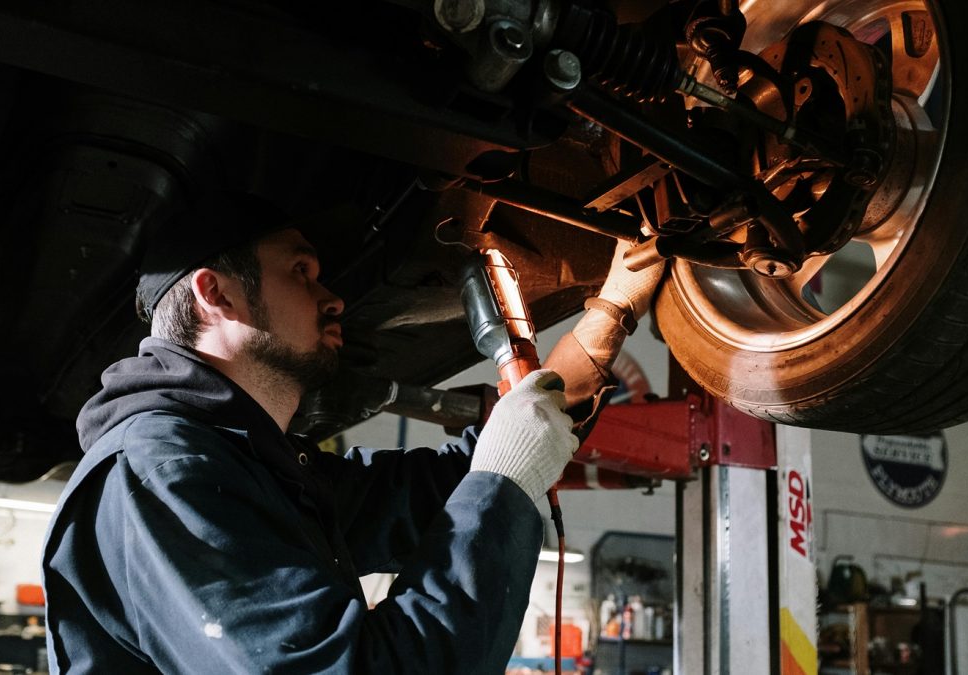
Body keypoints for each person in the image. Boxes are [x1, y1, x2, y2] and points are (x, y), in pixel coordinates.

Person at [41, 192, 660, 674]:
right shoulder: (161, 473)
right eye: (301, 272)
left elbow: (448, 486)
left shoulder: (255, 469)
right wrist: (503, 483)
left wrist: (610, 315)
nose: (334, 297)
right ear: (215, 293)